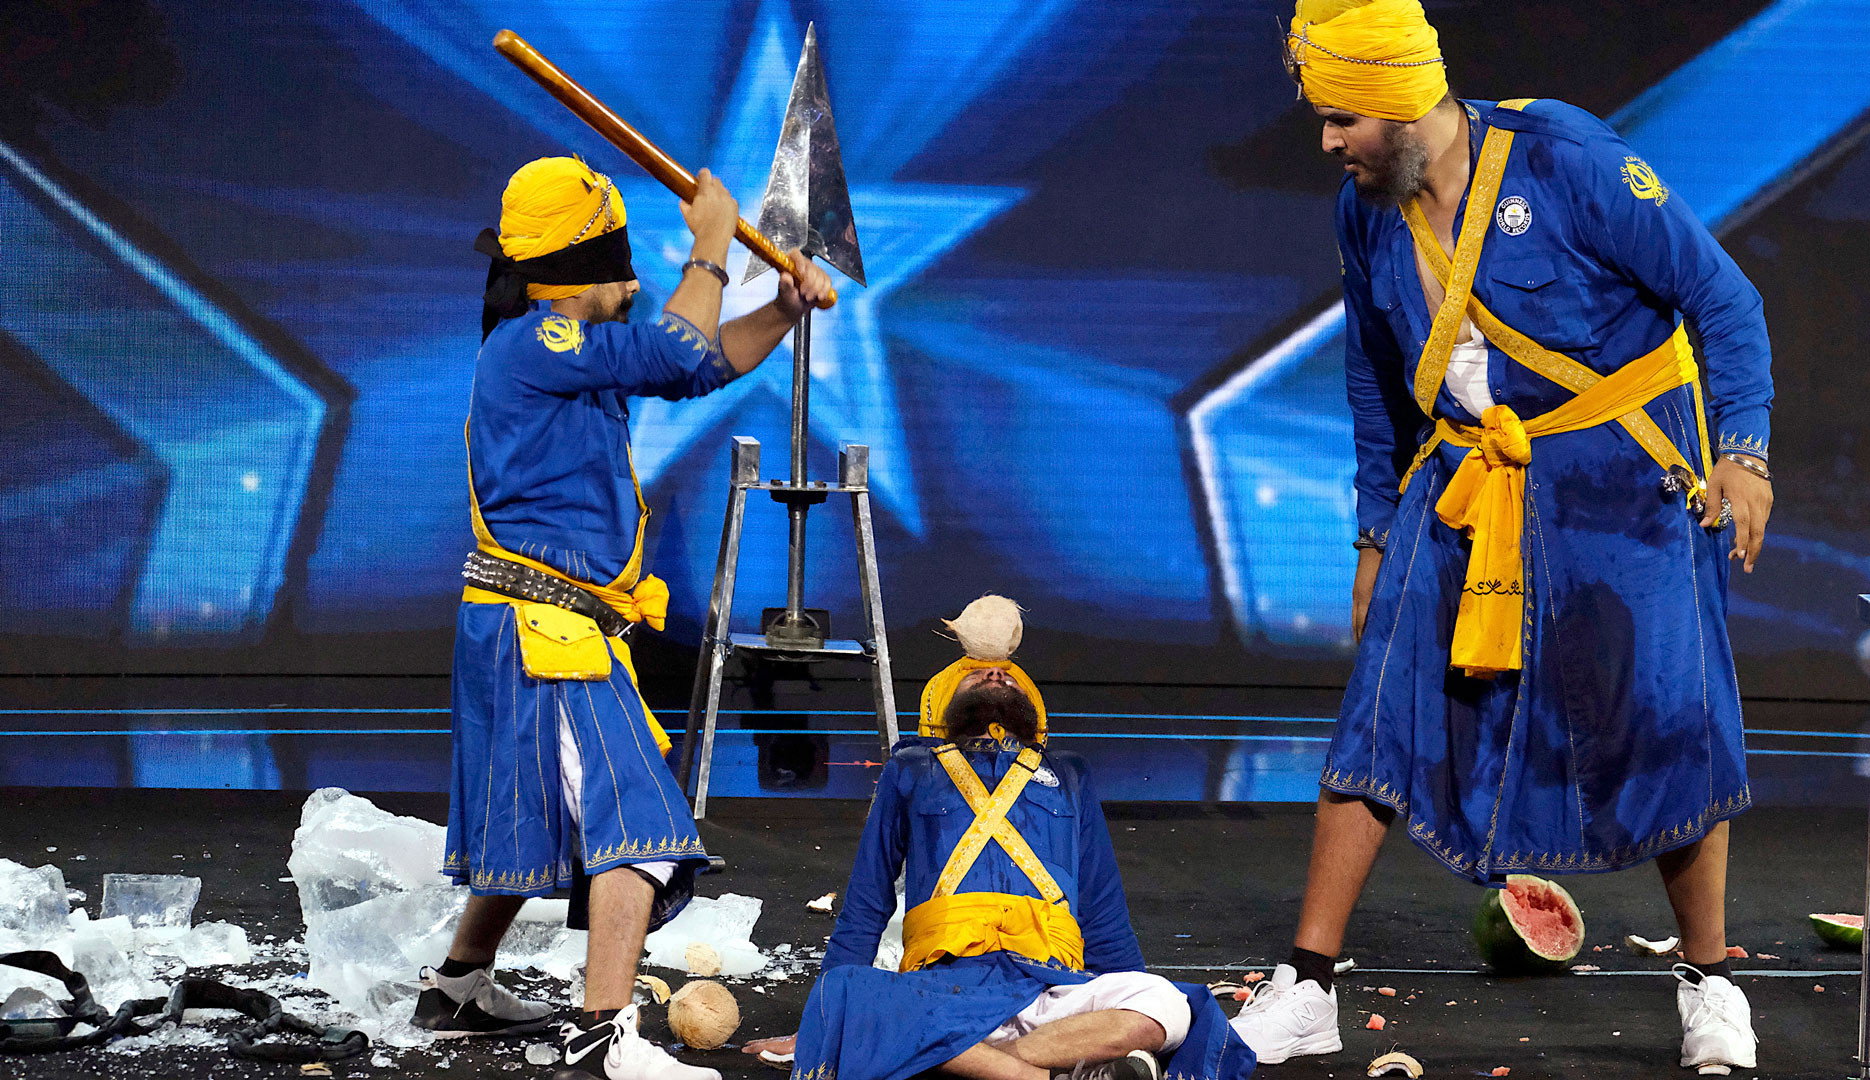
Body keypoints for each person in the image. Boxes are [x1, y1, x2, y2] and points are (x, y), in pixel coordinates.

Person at [1228, 1, 1774, 1074]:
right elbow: (1374, 383)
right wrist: (1374, 535)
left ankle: (1711, 984)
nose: (1328, 143)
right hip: (1463, 488)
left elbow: (1724, 298)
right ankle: (1308, 986)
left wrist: (1744, 455)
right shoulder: (1366, 213)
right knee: (1376, 718)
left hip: (1621, 490)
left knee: (1668, 723)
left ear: (1399, 105)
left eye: (1342, 119)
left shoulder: (1565, 158)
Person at [405, 155, 833, 1080]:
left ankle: (457, 990)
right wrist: (711, 243)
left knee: (533, 818)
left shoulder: (570, 354)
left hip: (538, 628)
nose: (635, 285)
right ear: (576, 271)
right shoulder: (537, 340)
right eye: (619, 268)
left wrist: (781, 309)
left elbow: (699, 365)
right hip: (542, 633)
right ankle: (601, 1039)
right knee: (636, 825)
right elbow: (678, 348)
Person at [745, 647, 1256, 1080]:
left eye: (1008, 674)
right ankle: (1051, 1073)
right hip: (942, 989)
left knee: (1164, 1003)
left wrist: (1118, 998)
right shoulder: (912, 769)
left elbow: (1103, 911)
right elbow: (865, 902)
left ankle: (978, 1064)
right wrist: (816, 1023)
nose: (995, 672)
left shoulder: (1069, 774)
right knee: (850, 994)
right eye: (976, 672)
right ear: (945, 700)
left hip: (1051, 991)